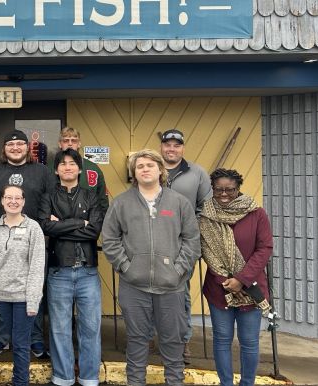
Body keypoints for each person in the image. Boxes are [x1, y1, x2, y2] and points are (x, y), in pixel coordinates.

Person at [102, 149, 200, 386]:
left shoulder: (179, 202)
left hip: (171, 287)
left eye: (150, 165)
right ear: (134, 173)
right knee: (136, 342)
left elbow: (192, 240)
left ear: (160, 170)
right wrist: (126, 267)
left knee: (172, 343)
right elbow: (110, 239)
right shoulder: (122, 203)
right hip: (134, 287)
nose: (145, 169)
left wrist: (178, 271)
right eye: (139, 166)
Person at [0, 129, 54, 358]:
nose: (15, 148)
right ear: (4, 149)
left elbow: (51, 200)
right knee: (1, 290)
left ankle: (36, 338)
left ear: (27, 147)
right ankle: (2, 338)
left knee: (34, 288)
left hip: (33, 238)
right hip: (2, 238)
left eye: (20, 144)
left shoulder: (42, 171)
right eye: (11, 145)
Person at [200, 168, 273, 386]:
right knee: (222, 340)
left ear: (238, 188)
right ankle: (226, 383)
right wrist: (225, 279)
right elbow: (206, 249)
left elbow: (265, 247)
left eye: (230, 190)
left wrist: (241, 279)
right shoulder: (205, 214)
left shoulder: (256, 213)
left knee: (249, 342)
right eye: (219, 189)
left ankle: (247, 383)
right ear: (212, 189)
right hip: (218, 288)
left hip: (250, 289)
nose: (224, 194)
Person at [39, 149, 106, 386]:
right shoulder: (48, 196)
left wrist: (63, 224)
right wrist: (80, 222)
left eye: (72, 163)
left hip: (88, 271)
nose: (67, 167)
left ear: (79, 168)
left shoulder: (92, 196)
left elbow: (94, 231)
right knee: (60, 329)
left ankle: (89, 378)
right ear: (56, 170)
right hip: (59, 271)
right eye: (63, 164)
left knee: (90, 328)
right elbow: (46, 226)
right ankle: (63, 378)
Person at [0, 185, 46, 386]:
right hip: (0, 296)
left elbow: (37, 266)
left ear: (24, 201)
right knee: (3, 340)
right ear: (1, 201)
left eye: (17, 198)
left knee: (20, 345)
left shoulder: (33, 228)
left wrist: (33, 300)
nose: (13, 201)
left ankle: (21, 382)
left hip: (22, 297)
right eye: (8, 197)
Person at [159, 128, 213, 362]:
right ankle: (160, 337)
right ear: (161, 147)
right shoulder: (151, 168)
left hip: (183, 246)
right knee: (154, 291)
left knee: (180, 293)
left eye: (176, 145)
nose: (171, 149)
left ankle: (182, 340)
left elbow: (207, 207)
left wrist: (190, 232)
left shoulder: (197, 173)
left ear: (183, 148)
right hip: (154, 243)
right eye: (167, 144)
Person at [54, 126, 109, 212]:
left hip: (89, 220)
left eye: (74, 141)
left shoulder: (93, 169)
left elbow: (103, 201)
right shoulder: (50, 167)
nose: (70, 144)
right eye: (66, 141)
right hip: (58, 219)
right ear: (60, 144)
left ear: (79, 144)